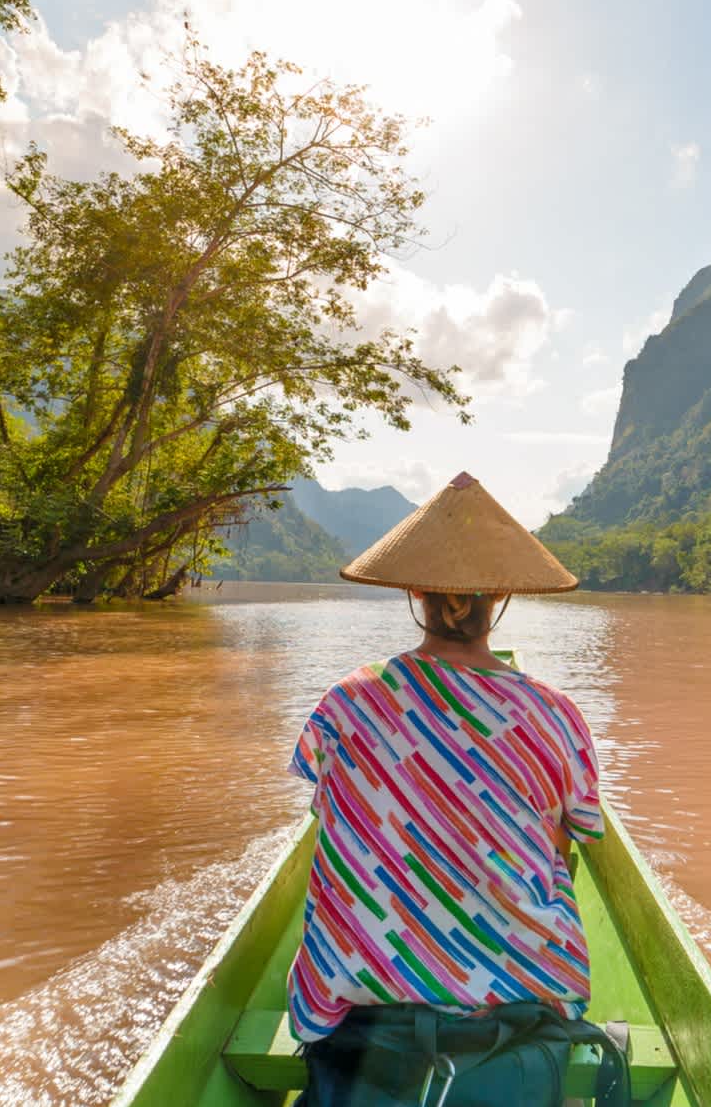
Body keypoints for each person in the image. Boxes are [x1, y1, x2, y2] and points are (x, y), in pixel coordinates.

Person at [285, 473, 627, 1107]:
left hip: (359, 994)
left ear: (414, 591)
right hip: (516, 995)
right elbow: (561, 851)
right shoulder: (555, 716)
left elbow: (333, 818)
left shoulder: (346, 702)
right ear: (498, 598)